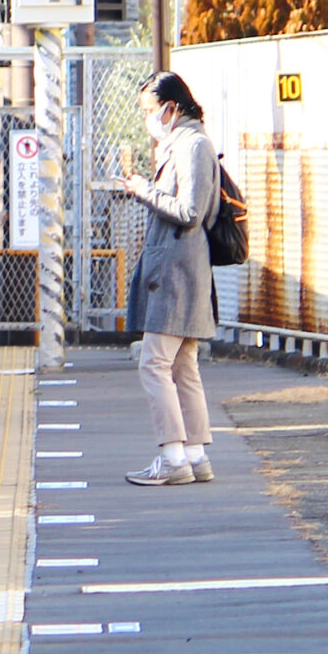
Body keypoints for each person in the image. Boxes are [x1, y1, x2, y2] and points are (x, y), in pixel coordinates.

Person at [120, 71, 219, 487]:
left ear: (171, 107)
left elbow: (191, 211)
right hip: (181, 267)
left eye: (149, 110)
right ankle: (194, 457)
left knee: (154, 363)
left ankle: (172, 457)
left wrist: (143, 190)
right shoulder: (182, 143)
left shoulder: (192, 144)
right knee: (182, 366)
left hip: (177, 269)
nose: (148, 118)